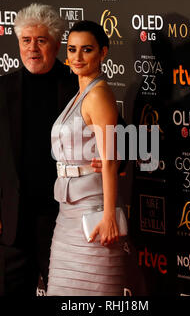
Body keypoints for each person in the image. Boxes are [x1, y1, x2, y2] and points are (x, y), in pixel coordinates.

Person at [0, 4, 105, 295]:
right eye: (26, 40)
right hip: (14, 218)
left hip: (63, 216)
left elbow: (119, 131)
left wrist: (117, 158)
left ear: (57, 44)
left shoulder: (78, 84)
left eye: (41, 40)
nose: (32, 48)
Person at [47, 20, 127, 296]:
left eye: (87, 50)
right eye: (72, 50)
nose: (77, 57)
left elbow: (110, 160)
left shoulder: (99, 95)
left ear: (103, 53)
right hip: (67, 215)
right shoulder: (78, 95)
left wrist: (109, 216)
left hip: (93, 212)